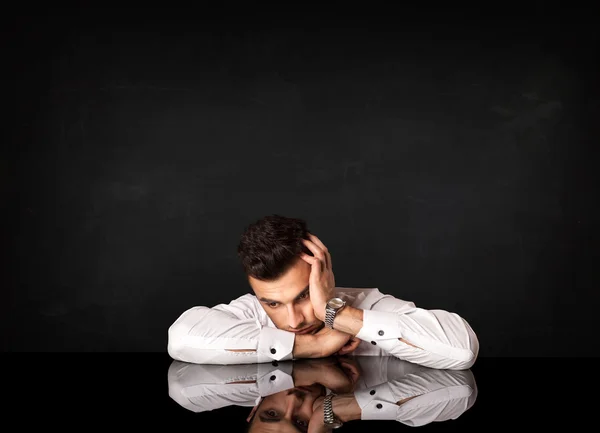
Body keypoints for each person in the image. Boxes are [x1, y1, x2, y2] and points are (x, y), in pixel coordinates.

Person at [167, 214, 479, 370]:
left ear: (325, 276)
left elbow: (462, 350)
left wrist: (338, 313)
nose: (292, 320)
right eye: (272, 302)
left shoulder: (365, 305)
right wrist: (316, 344)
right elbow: (180, 338)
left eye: (303, 296)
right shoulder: (252, 311)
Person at [167, 355, 478, 431]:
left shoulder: (242, 374)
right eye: (301, 423)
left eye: (271, 414)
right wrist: (336, 409)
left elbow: (181, 386)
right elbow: (460, 391)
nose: (293, 400)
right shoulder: (358, 394)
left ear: (252, 410)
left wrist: (305, 363)